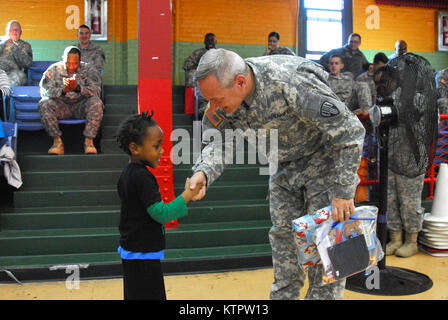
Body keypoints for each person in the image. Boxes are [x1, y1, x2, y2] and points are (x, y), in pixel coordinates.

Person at [189, 49, 365, 300]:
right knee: (283, 244)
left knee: (329, 249)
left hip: (325, 164)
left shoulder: (292, 81)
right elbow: (220, 140)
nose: (213, 107)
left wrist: (344, 191)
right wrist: (204, 171)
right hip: (283, 167)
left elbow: (350, 131)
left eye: (216, 100)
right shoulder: (223, 94)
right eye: (209, 100)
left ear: (240, 82)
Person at [115, 111, 203, 300]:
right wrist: (187, 195)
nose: (162, 151)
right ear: (135, 148)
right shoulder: (142, 177)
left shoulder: (126, 173)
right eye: (156, 146)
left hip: (131, 251)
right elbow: (161, 214)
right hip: (143, 255)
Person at [38, 46, 103, 155]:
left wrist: (78, 88)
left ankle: (89, 142)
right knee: (44, 104)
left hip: (80, 106)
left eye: (75, 63)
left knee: (96, 103)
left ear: (80, 61)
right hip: (61, 105)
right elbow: (44, 91)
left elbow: (97, 91)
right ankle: (57, 143)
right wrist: (63, 90)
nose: (71, 66)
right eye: (68, 63)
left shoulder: (89, 70)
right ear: (63, 58)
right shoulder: (54, 69)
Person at [0, 20, 33, 86]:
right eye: (11, 29)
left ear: (20, 32)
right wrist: (3, 44)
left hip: (12, 73)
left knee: (21, 77)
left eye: (16, 30)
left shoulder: (25, 45)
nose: (14, 31)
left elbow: (26, 64)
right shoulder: (1, 41)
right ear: (7, 31)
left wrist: (13, 47)